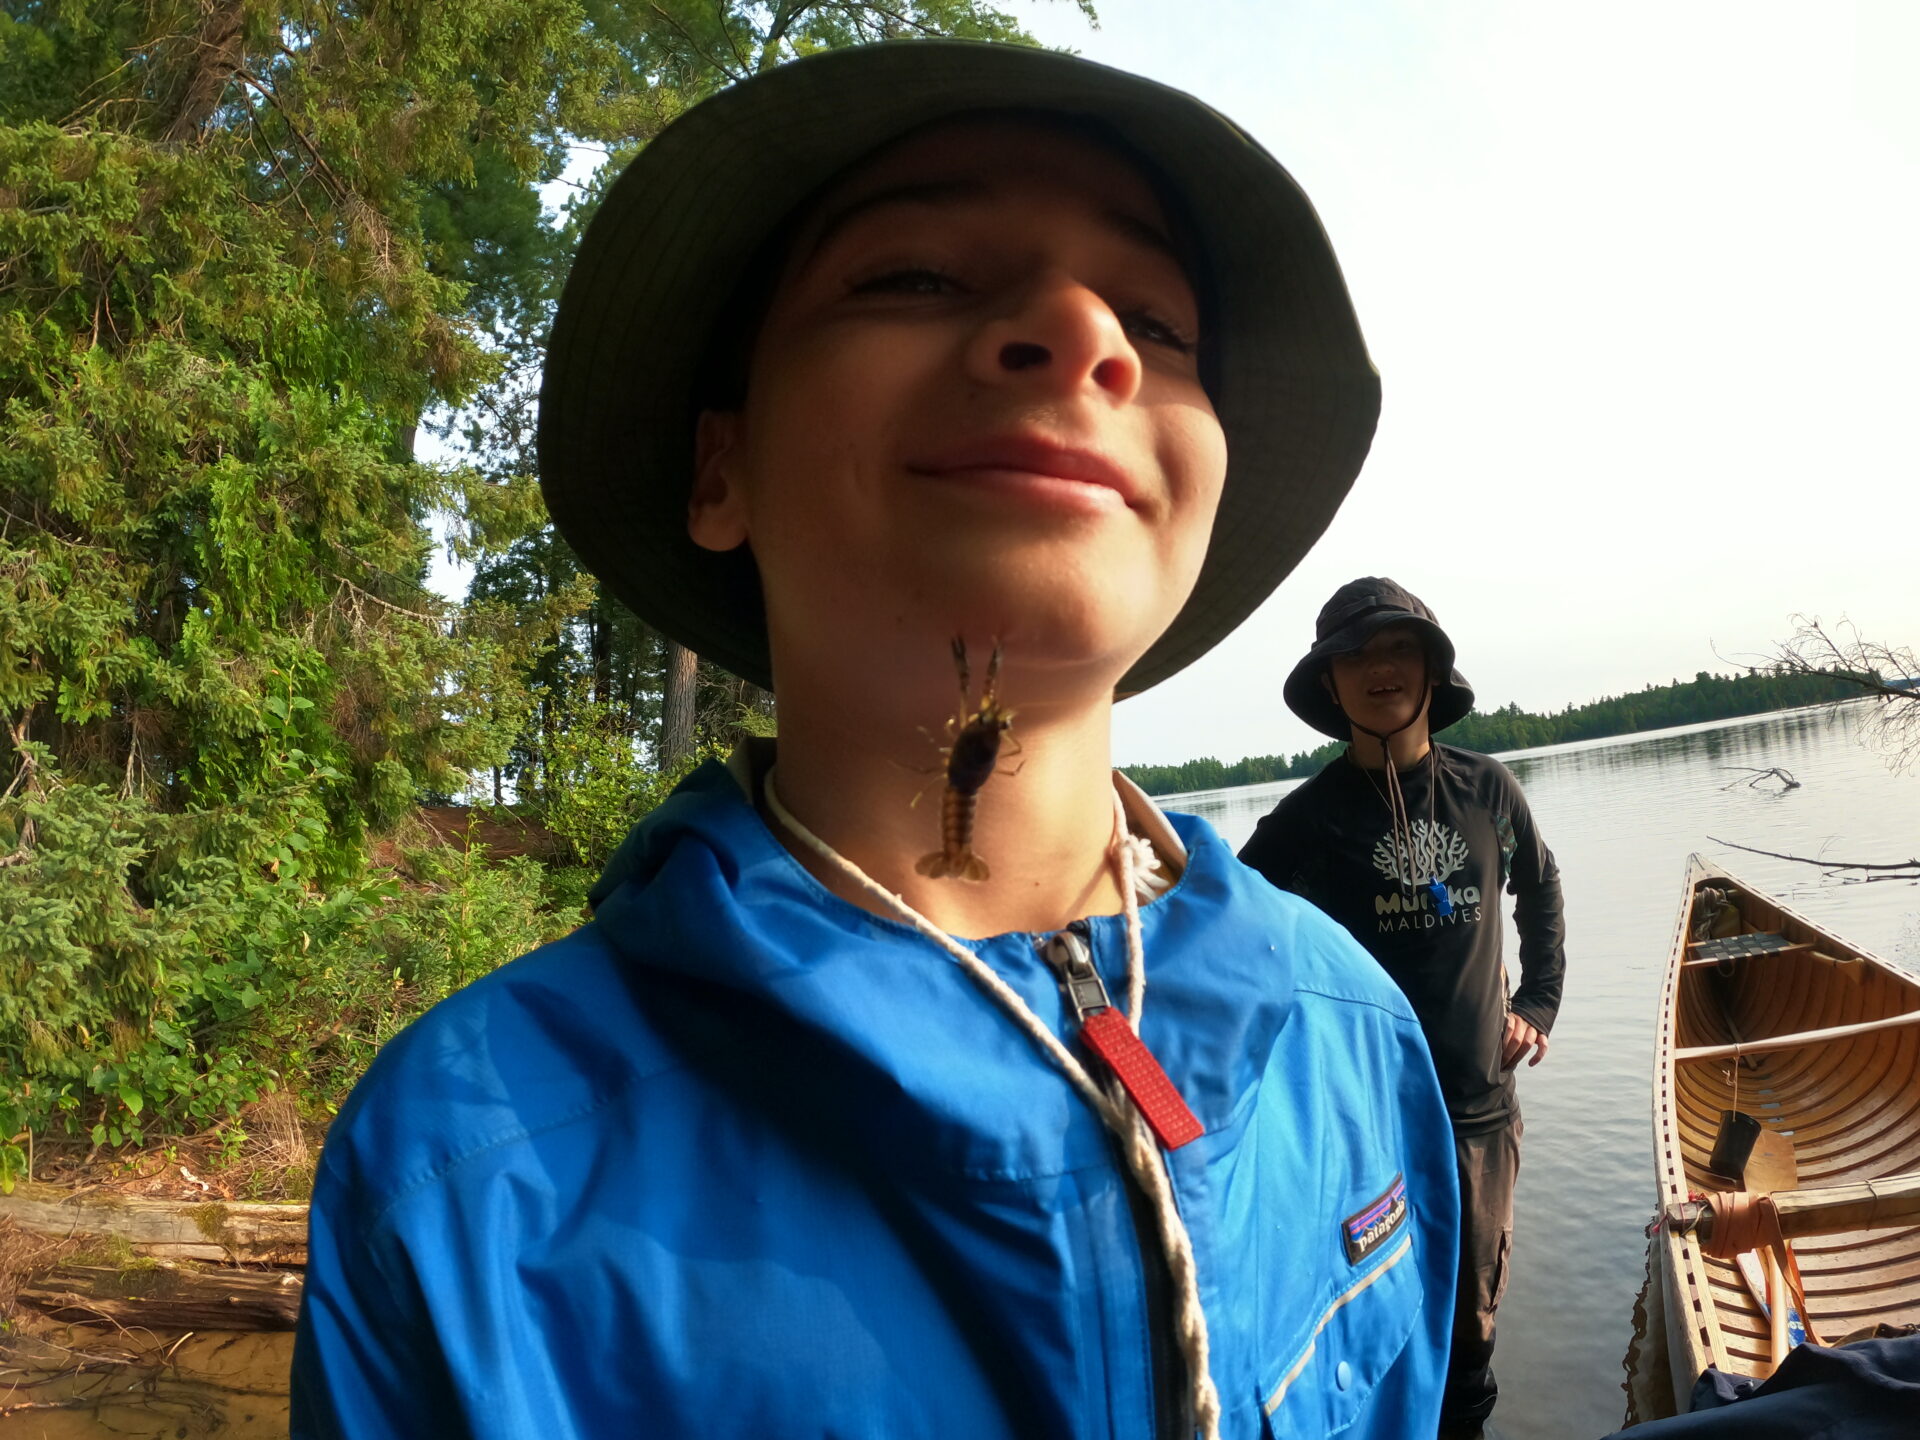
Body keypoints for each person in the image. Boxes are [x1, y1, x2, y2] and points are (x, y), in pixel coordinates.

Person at [291, 43, 1461, 1440]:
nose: (1085, 331)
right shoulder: (466, 1177)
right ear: (719, 466)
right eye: (912, 276)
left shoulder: (1347, 1031)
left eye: (1156, 322)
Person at [1238, 577, 1566, 1439]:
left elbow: (1541, 884)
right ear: (1330, 685)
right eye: (1355, 655)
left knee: (1471, 1334)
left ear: (1430, 672)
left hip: (1478, 1111)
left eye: (1397, 650)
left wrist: (1538, 998)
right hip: (1360, 1129)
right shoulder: (1303, 824)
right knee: (1372, 1326)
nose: (1379, 669)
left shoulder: (1489, 793)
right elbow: (1226, 930)